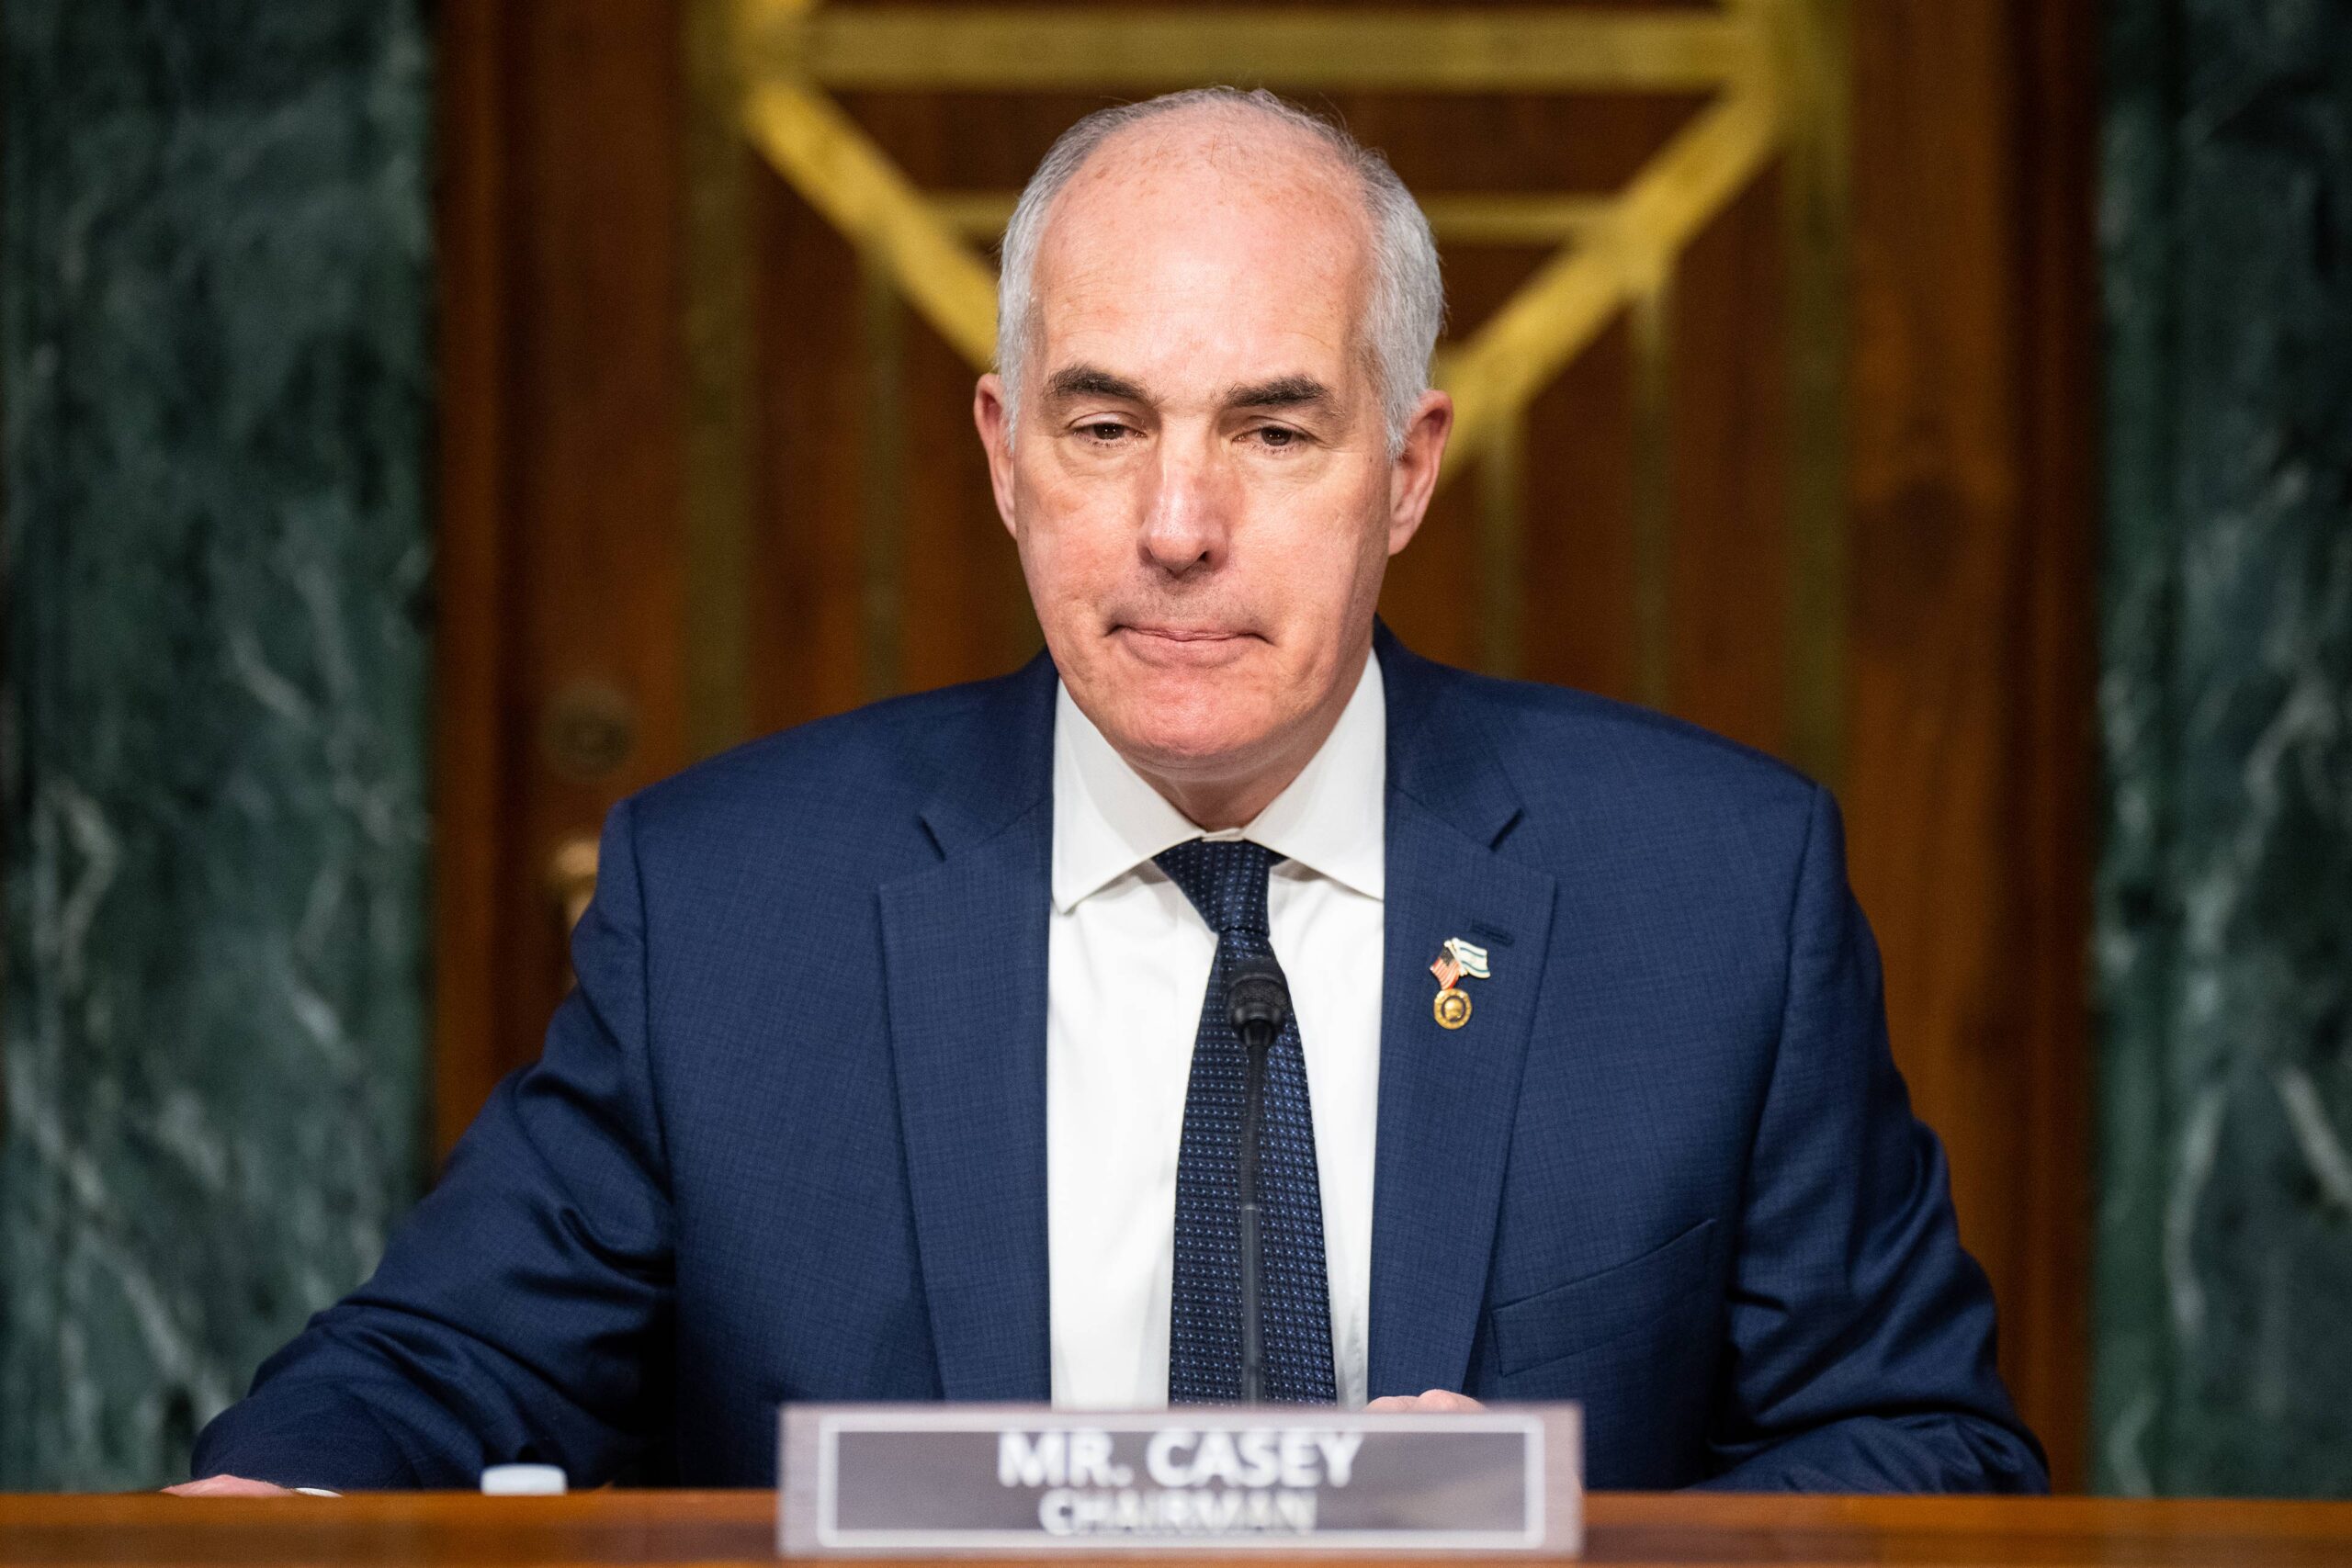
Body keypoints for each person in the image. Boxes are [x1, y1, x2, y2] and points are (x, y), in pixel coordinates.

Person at [179, 88, 2046, 1495]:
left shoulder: (1711, 888)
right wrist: (262, 1498)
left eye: (1270, 427)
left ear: (1403, 468)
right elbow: (438, 1361)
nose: (1172, 526)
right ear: (1005, 457)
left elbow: (1922, 1447)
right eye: (1102, 425)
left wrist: (1541, 1526)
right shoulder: (735, 900)